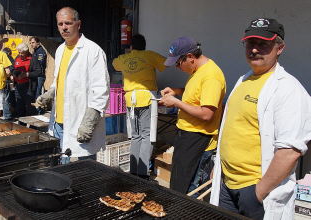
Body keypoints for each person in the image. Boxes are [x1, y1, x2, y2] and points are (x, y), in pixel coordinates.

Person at [210, 18, 311, 220]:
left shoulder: (289, 89)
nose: (254, 50)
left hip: (254, 192)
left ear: (279, 48)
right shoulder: (244, 80)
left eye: (263, 44)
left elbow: (290, 151)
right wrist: (217, 168)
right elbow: (234, 127)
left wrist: (258, 193)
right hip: (226, 185)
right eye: (250, 43)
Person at [36, 7, 109, 163]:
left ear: (78, 24)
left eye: (68, 23)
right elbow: (59, 80)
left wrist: (89, 122)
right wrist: (51, 93)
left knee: (84, 170)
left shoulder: (93, 51)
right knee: (62, 170)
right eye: (60, 23)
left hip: (81, 123)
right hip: (59, 123)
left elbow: (101, 90)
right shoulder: (60, 50)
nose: (64, 27)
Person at [159, 37, 226, 195]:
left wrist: (176, 102)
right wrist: (177, 91)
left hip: (199, 138)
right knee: (179, 184)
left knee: (189, 189)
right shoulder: (198, 70)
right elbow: (196, 93)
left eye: (177, 63)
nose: (177, 67)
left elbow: (206, 114)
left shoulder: (211, 76)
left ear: (190, 57)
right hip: (187, 135)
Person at [112, 34, 166, 178]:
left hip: (130, 100)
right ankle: (142, 174)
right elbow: (166, 64)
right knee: (146, 136)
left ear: (131, 47)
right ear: (144, 46)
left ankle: (134, 171)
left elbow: (114, 63)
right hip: (147, 98)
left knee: (136, 136)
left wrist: (129, 56)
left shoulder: (124, 58)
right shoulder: (150, 55)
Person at [13, 43, 41, 117]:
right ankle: (21, 125)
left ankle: (31, 126)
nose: (19, 54)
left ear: (26, 51)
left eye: (21, 52)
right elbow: (13, 68)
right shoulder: (17, 57)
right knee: (19, 106)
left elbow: (38, 71)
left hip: (29, 86)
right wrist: (14, 75)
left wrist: (26, 74)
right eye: (18, 52)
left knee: (29, 107)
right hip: (18, 86)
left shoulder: (33, 59)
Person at [2, 47, 15, 120]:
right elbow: (11, 70)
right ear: (9, 53)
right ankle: (8, 115)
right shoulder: (9, 58)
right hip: (8, 81)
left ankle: (4, 113)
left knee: (3, 98)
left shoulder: (0, 57)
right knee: (7, 98)